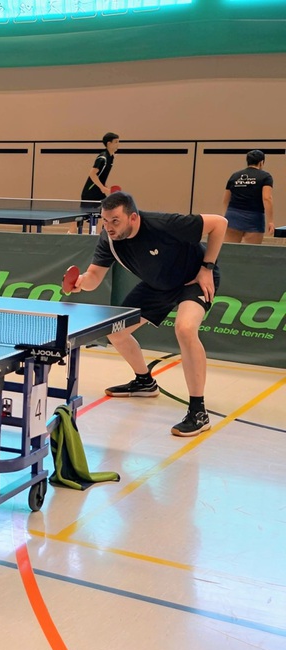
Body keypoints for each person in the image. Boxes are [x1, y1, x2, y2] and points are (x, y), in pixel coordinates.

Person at [66, 191, 227, 437]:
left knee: (185, 329)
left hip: (194, 279)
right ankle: (145, 382)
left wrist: (207, 268)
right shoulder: (110, 240)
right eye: (105, 221)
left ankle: (198, 412)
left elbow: (219, 224)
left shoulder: (164, 224)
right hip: (158, 285)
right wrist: (80, 282)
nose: (109, 227)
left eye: (115, 221)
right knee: (116, 331)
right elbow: (94, 277)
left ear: (133, 217)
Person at [223, 149, 274, 245]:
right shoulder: (265, 177)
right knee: (252, 251)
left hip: (233, 216)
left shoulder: (235, 176)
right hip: (254, 217)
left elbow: (226, 199)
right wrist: (270, 221)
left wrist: (226, 216)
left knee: (230, 250)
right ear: (261, 162)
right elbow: (267, 198)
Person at [81, 132, 120, 201]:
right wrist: (102, 188)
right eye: (116, 142)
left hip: (98, 192)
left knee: (108, 206)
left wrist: (103, 185)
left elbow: (101, 175)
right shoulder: (102, 158)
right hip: (90, 194)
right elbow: (92, 174)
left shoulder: (111, 157)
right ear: (109, 144)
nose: (118, 144)